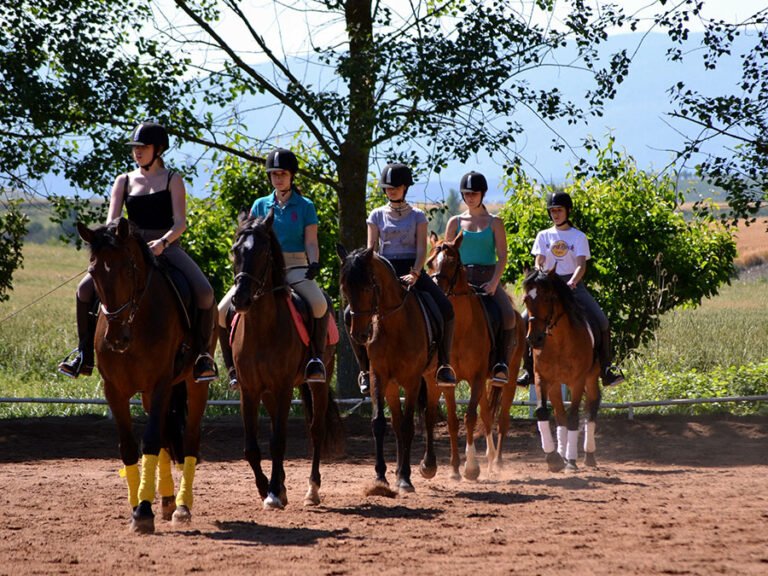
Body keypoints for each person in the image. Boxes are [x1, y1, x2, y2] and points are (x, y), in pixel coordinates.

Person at [58, 121, 218, 382]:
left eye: (143, 147)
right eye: (135, 148)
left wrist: (163, 243)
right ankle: (83, 353)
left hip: (165, 247)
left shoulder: (172, 179)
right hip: (128, 248)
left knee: (205, 292)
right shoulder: (124, 180)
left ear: (159, 150)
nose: (138, 152)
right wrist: (112, 243)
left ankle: (202, 356)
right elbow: (113, 220)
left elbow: (180, 223)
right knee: (84, 290)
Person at [217, 147, 329, 387]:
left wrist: (314, 262)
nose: (278, 178)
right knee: (220, 311)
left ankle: (315, 361)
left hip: (296, 265)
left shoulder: (305, 206)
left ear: (291, 176)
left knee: (319, 304)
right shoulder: (260, 205)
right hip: (262, 270)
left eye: (282, 174)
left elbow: (311, 241)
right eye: (274, 174)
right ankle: (232, 369)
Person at [350, 162, 457, 394]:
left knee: (445, 308)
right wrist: (376, 276)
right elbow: (371, 250)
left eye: (396, 187)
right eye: (388, 187)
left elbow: (421, 250)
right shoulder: (376, 215)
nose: (392, 191)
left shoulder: (418, 215)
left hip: (411, 268)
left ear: (405, 187)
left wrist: (416, 273)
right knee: (350, 312)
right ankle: (363, 368)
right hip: (383, 270)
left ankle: (444, 364)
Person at [516, 191, 625, 387]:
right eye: (552, 211)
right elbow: (539, 260)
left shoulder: (579, 237)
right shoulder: (543, 235)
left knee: (602, 321)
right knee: (524, 321)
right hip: (548, 286)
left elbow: (581, 265)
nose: (555, 214)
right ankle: (528, 369)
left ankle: (606, 369)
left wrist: (572, 282)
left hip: (572, 286)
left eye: (559, 210)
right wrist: (542, 275)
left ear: (568, 211)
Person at [444, 171, 517, 383]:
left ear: (483, 194)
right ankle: (440, 363)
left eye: (474, 193)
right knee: (437, 314)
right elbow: (447, 256)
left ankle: (501, 363)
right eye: (466, 194)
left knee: (509, 315)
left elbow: (502, 256)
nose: (470, 197)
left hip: (487, 278)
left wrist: (494, 283)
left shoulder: (495, 222)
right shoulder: (454, 222)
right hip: (460, 280)